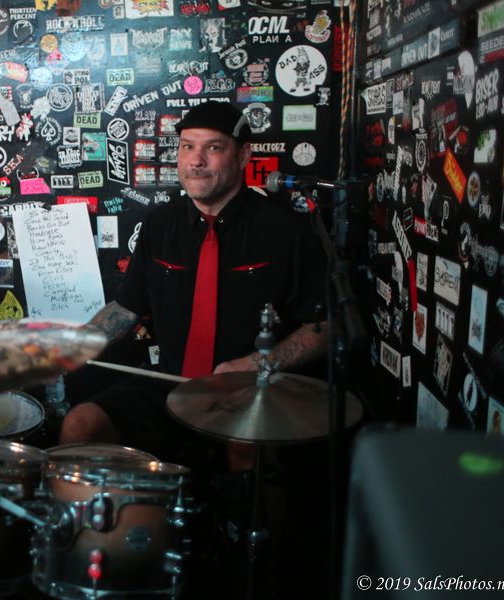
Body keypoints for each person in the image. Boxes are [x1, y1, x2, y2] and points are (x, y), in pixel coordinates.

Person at [59, 101, 329, 469]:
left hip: (249, 390)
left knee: (247, 447)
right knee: (80, 425)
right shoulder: (159, 225)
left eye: (213, 148)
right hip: (170, 384)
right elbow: (125, 308)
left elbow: (324, 327)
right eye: (187, 147)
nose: (196, 161)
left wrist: (257, 363)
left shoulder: (285, 230)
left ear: (243, 155)